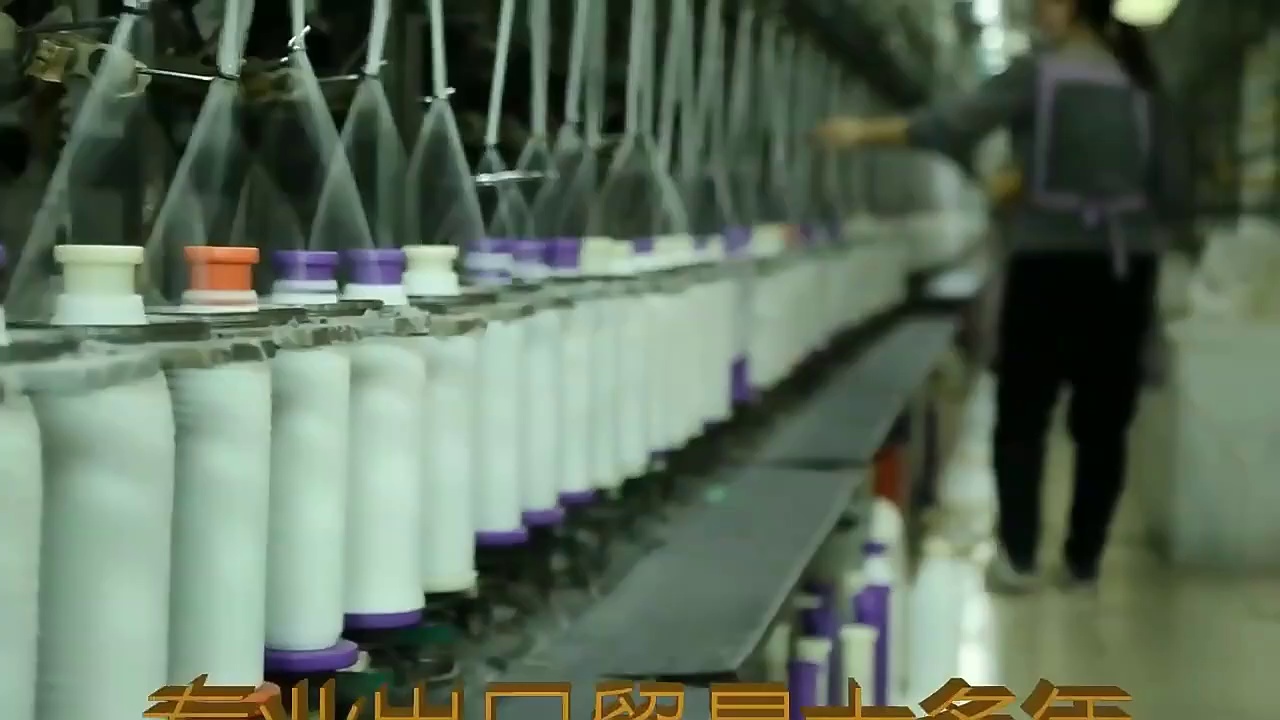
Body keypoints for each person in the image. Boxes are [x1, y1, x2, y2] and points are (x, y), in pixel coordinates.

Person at [814, 0, 1193, 592]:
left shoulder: (1039, 73)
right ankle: (1083, 560)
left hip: (1047, 263)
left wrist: (863, 132)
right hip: (1126, 269)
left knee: (1023, 413)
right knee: (1103, 422)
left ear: (1070, 6)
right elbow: (1173, 189)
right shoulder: (1143, 85)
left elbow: (953, 124)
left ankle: (1018, 557)